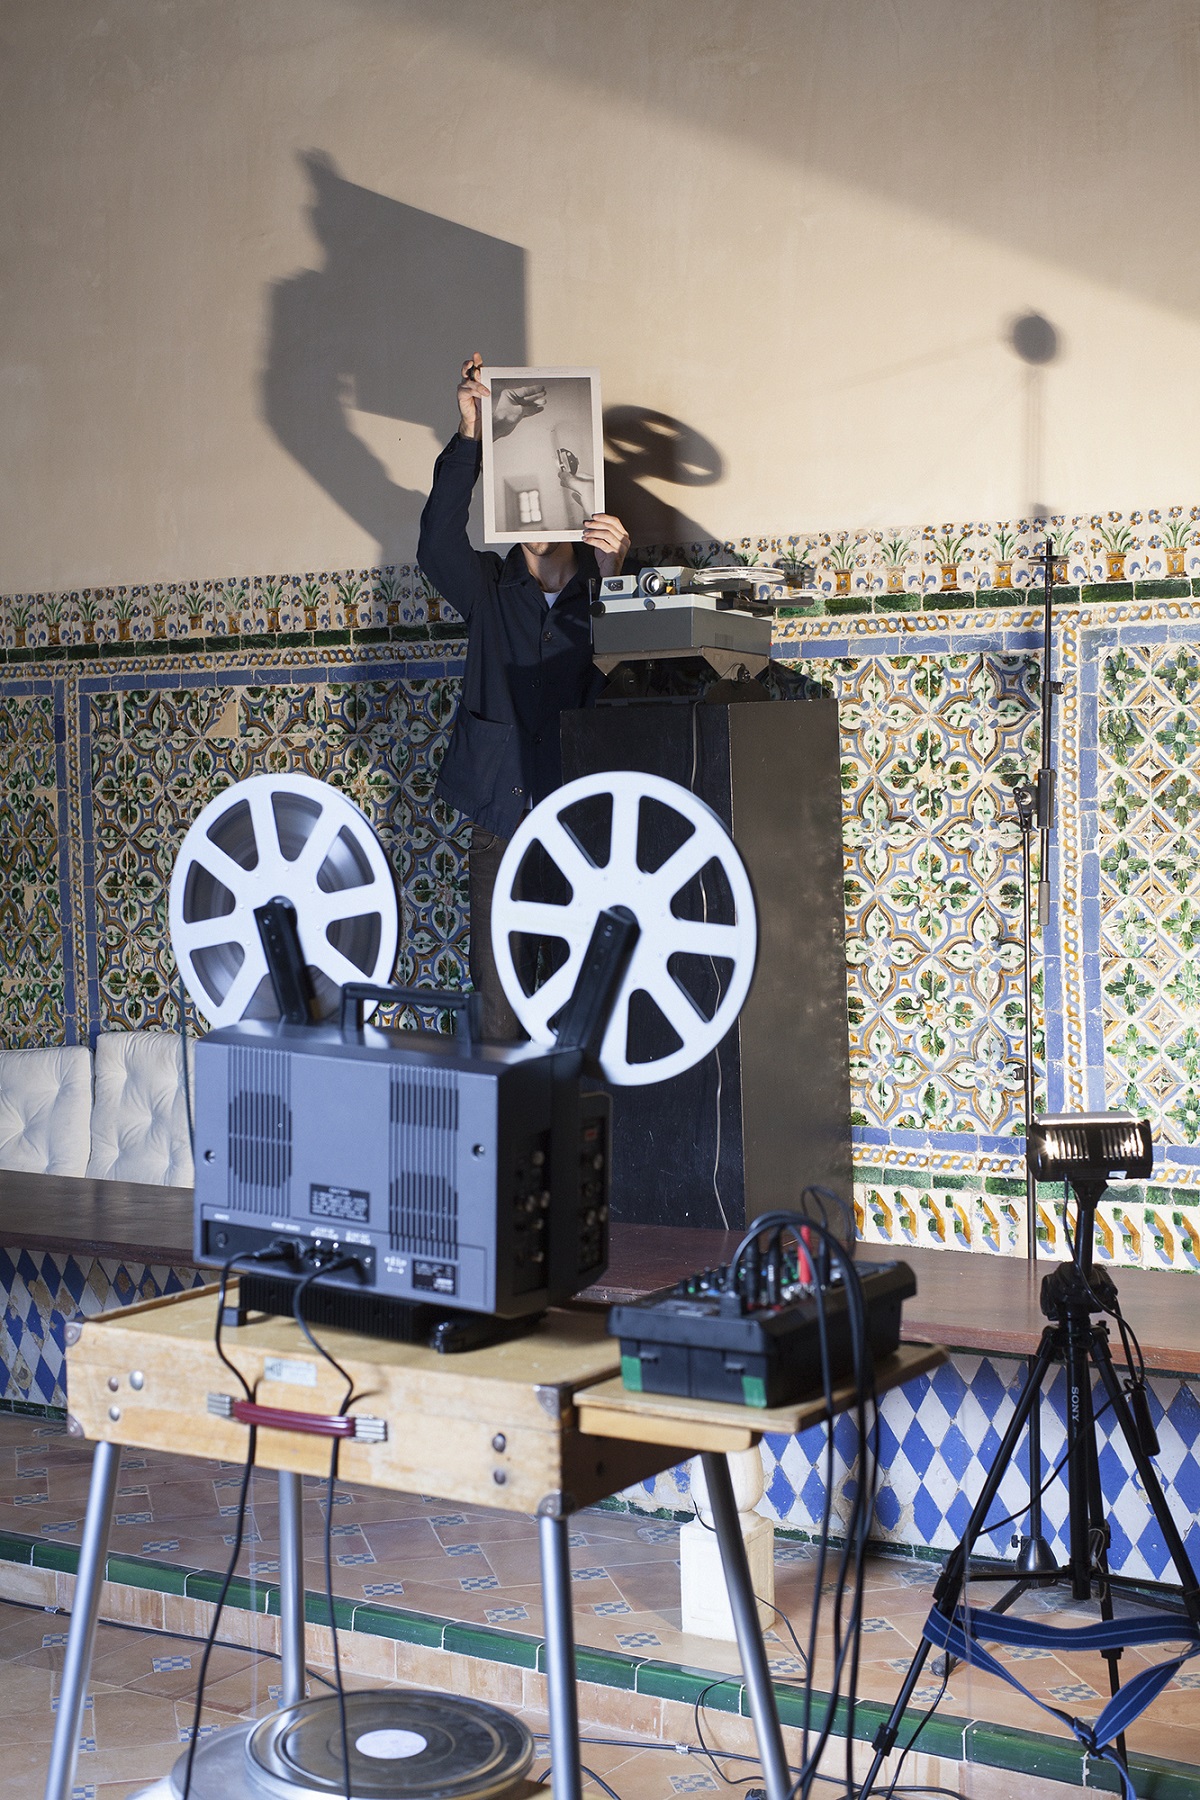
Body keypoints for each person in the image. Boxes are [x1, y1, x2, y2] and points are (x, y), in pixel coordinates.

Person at [417, 352, 630, 1040]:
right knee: (498, 1013)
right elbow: (435, 543)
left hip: (586, 832)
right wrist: (471, 433)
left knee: (582, 1010)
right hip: (500, 826)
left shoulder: (607, 590)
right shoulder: (487, 587)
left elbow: (633, 675)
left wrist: (616, 577)